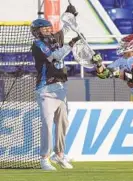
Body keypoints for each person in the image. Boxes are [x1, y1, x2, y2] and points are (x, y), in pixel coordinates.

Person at [31, 5, 79, 170]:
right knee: (47, 124)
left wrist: (70, 14)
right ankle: (44, 158)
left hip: (60, 87)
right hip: (46, 89)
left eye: (48, 28)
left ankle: (59, 155)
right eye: (44, 28)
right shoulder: (38, 44)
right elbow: (55, 56)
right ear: (37, 31)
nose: (48, 30)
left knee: (62, 123)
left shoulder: (53, 38)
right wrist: (72, 44)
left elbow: (65, 27)